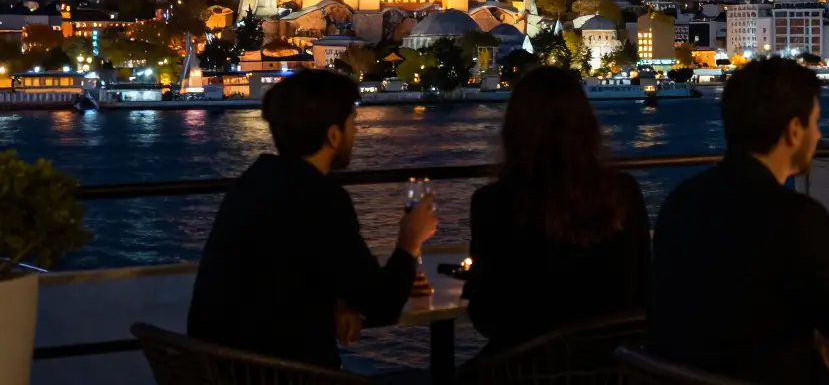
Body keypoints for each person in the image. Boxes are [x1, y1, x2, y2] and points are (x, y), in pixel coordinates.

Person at [650, 57, 829, 385]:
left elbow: (733, 303)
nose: (819, 134)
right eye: (815, 122)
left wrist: (806, 339)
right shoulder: (796, 217)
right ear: (794, 131)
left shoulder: (682, 201)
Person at [188, 69, 438, 369]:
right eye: (353, 122)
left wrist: (338, 301)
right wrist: (410, 240)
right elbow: (382, 305)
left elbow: (287, 272)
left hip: (214, 370)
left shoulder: (255, 180)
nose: (356, 132)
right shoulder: (321, 197)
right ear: (333, 135)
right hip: (286, 374)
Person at [462, 66, 651, 354]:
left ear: (513, 130)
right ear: (587, 127)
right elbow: (644, 291)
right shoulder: (623, 193)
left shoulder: (493, 202)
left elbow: (487, 317)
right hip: (610, 364)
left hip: (524, 367)